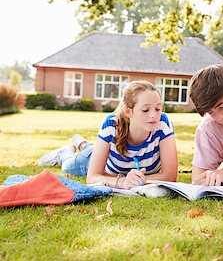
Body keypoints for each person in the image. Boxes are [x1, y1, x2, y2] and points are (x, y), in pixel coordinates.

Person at [37, 80, 178, 189]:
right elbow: (92, 177)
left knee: (91, 148)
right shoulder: (111, 125)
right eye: (146, 110)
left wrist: (138, 181)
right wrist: (122, 182)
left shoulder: (163, 123)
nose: (154, 115)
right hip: (97, 163)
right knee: (68, 166)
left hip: (104, 152)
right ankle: (63, 153)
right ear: (129, 112)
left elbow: (170, 176)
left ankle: (82, 143)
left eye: (158, 108)